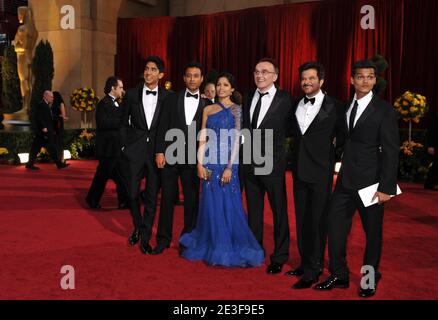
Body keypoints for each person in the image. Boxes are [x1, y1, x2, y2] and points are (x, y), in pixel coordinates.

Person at [315, 60, 399, 298]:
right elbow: (345, 136)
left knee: (372, 233)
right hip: (344, 182)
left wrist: (386, 187)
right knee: (336, 229)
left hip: (372, 184)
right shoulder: (345, 107)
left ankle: (370, 277)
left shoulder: (384, 110)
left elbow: (391, 150)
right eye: (360, 77)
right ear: (352, 80)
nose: (365, 81)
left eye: (369, 77)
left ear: (374, 80)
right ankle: (339, 274)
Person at [179, 72, 264, 267]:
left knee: (229, 204)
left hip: (228, 163)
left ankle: (226, 245)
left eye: (225, 85)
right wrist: (199, 163)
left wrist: (229, 167)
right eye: (219, 85)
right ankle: (213, 243)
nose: (221, 88)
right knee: (210, 204)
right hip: (209, 161)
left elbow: (236, 140)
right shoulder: (208, 109)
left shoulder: (237, 110)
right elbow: (202, 137)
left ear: (232, 89)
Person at [285, 62, 346, 289]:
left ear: (321, 81)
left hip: (321, 171)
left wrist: (332, 147)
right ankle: (305, 262)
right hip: (299, 170)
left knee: (318, 221)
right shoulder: (295, 104)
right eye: (303, 78)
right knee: (302, 220)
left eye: (311, 78)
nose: (306, 82)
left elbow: (344, 134)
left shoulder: (336, 106)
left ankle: (315, 268)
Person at [153, 61, 211, 255]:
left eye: (196, 76)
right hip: (170, 157)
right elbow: (162, 126)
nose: (192, 79)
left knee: (192, 202)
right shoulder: (171, 99)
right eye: (189, 75)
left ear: (202, 79)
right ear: (184, 78)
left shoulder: (208, 105)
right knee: (167, 199)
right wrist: (159, 151)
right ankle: (163, 240)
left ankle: (188, 239)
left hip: (194, 161)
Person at [242, 58, 295, 274]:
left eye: (265, 71)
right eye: (256, 71)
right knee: (254, 212)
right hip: (249, 164)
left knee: (279, 212)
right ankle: (256, 251)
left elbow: (292, 130)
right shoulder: (247, 96)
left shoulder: (286, 99)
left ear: (275, 76)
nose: (259, 75)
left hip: (272, 165)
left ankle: (280, 256)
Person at [120, 56, 171, 254]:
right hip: (134, 151)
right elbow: (123, 123)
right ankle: (139, 225)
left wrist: (164, 150)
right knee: (132, 194)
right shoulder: (132, 94)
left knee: (151, 197)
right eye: (146, 69)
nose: (148, 72)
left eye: (153, 69)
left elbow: (168, 128)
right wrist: (125, 146)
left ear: (161, 74)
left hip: (156, 154)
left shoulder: (168, 97)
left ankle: (145, 237)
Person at [85, 76, 128, 210]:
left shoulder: (118, 103)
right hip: (108, 147)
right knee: (102, 175)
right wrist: (122, 122)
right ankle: (92, 199)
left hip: (116, 146)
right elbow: (102, 123)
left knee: (121, 176)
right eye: (120, 87)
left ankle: (123, 201)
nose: (122, 90)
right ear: (113, 88)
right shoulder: (103, 104)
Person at [25, 91, 68, 170]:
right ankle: (59, 164)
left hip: (44, 132)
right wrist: (43, 127)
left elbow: (49, 117)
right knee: (49, 148)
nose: (53, 98)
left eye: (53, 97)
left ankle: (30, 164)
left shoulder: (46, 105)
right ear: (45, 96)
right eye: (51, 97)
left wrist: (60, 117)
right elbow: (39, 117)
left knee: (37, 149)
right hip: (44, 132)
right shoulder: (42, 105)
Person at [51, 91, 68, 162]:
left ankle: (57, 158)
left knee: (56, 140)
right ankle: (61, 158)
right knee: (59, 141)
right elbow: (64, 115)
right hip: (58, 123)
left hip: (55, 123)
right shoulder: (60, 104)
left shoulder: (52, 104)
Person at [424, 109, 438, 190]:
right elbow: (431, 131)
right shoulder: (435, 114)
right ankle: (429, 183)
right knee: (436, 164)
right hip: (436, 143)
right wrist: (430, 145)